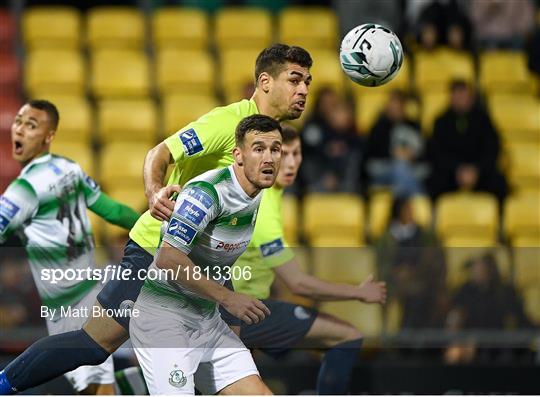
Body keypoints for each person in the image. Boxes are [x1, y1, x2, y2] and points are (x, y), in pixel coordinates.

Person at [0, 44, 312, 394]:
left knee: (227, 351)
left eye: (307, 83)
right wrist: (154, 191)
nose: (302, 91)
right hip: (158, 251)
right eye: (294, 80)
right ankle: (4, 383)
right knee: (93, 344)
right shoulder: (228, 123)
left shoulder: (267, 139)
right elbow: (160, 152)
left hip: (205, 263)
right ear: (266, 82)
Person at [221, 125, 386, 394]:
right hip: (238, 313)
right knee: (346, 335)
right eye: (281, 153)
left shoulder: (270, 197)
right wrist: (357, 292)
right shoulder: (260, 207)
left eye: (295, 153)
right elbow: (298, 283)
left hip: (250, 310)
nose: (289, 163)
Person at [131, 114, 282, 394]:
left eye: (275, 149)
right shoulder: (207, 193)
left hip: (207, 323)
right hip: (164, 323)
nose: (269, 158)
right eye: (259, 149)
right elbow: (167, 258)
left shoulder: (257, 192)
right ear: (238, 155)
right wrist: (228, 298)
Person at [0, 100, 140, 394]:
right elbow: (113, 211)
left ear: (49, 135)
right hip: (92, 292)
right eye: (19, 122)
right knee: (94, 386)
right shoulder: (68, 168)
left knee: (98, 387)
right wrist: (149, 224)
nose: (21, 130)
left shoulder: (23, 190)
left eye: (32, 125)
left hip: (73, 306)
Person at [426, 80, 508, 202]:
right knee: (433, 183)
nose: (461, 99)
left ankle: (500, 219)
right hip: (451, 173)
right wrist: (457, 170)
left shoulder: (483, 119)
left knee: (499, 184)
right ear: (451, 97)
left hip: (480, 172)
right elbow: (436, 153)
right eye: (457, 95)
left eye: (464, 95)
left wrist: (476, 170)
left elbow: (493, 148)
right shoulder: (441, 122)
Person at [374, 197, 447, 329]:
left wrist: (416, 272)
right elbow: (382, 266)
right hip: (394, 284)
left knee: (421, 296)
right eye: (407, 209)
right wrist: (397, 273)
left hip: (421, 280)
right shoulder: (386, 238)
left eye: (411, 209)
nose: (411, 212)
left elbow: (434, 257)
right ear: (397, 211)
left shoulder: (425, 235)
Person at [362, 91, 428, 197]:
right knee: (400, 167)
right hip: (384, 166)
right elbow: (371, 153)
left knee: (408, 169)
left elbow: (424, 151)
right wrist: (393, 153)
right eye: (391, 104)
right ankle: (419, 201)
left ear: (404, 107)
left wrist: (411, 155)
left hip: (411, 166)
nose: (394, 108)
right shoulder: (379, 126)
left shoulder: (414, 125)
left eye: (397, 105)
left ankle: (401, 204)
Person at [301, 87, 362, 192]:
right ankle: (314, 191)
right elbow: (308, 147)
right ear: (319, 104)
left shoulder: (345, 125)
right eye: (326, 102)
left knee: (353, 158)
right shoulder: (313, 123)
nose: (328, 106)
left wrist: (344, 130)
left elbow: (358, 144)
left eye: (332, 103)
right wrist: (327, 148)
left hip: (340, 170)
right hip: (319, 167)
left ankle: (348, 191)